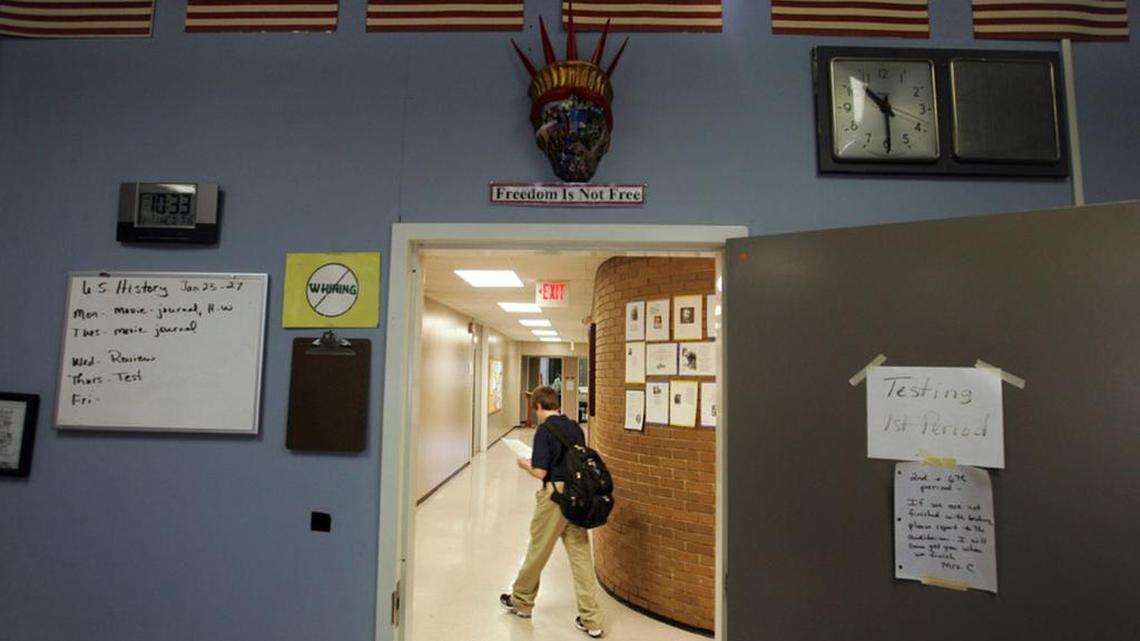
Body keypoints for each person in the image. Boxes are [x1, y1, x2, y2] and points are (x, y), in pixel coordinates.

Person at [500, 385, 605, 638]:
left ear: (538, 406)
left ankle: (521, 601)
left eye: (534, 410)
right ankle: (592, 620)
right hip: (577, 496)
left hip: (555, 497)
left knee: (538, 550)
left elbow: (540, 472)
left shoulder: (544, 430)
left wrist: (524, 464)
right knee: (581, 557)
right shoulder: (574, 427)